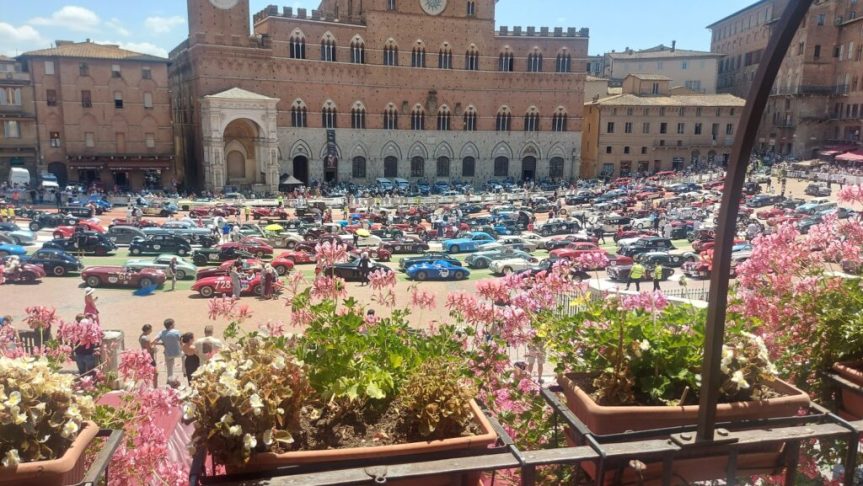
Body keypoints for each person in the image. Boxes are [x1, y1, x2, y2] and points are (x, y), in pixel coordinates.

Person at [153, 319, 182, 383]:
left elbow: (154, 341)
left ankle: (169, 381)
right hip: (178, 352)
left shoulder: (162, 332)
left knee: (169, 370)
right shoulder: (177, 332)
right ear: (171, 325)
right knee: (185, 356)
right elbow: (182, 341)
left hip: (168, 353)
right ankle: (184, 370)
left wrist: (162, 343)